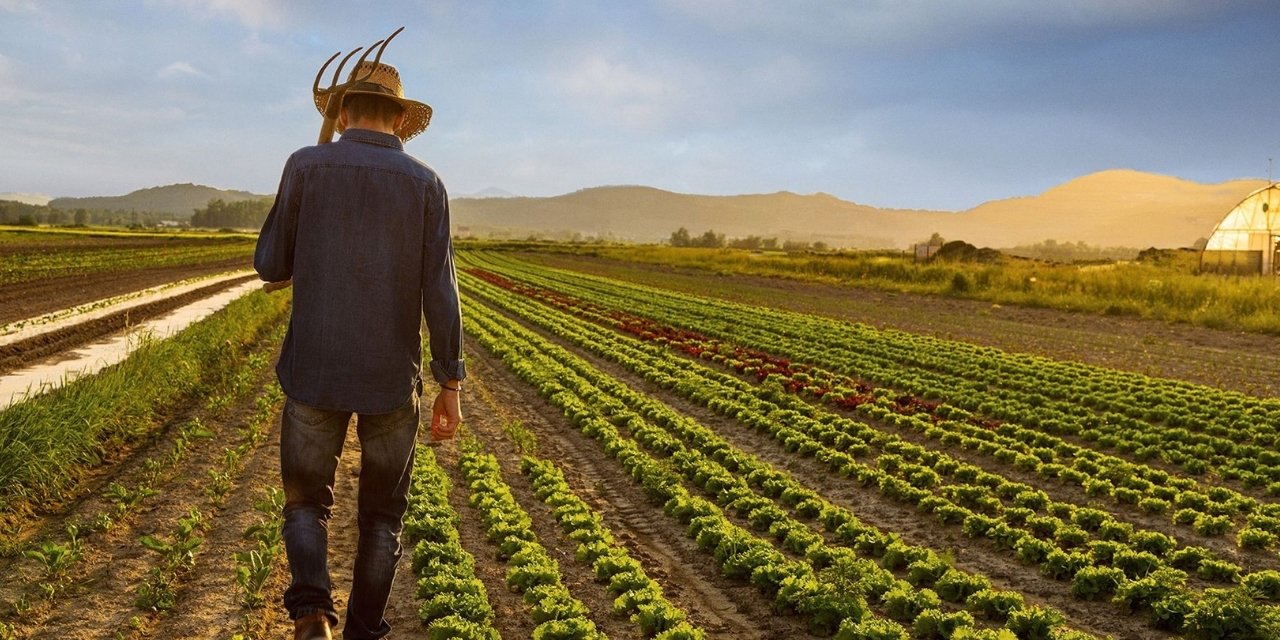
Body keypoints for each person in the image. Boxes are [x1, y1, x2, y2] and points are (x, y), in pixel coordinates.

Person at [254, 60, 465, 640]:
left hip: (313, 370)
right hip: (391, 381)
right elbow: (440, 291)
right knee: (382, 519)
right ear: (400, 118)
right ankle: (362, 632)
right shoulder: (426, 184)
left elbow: (270, 263)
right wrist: (450, 381)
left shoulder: (305, 165)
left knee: (305, 503)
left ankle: (312, 613)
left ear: (341, 112)